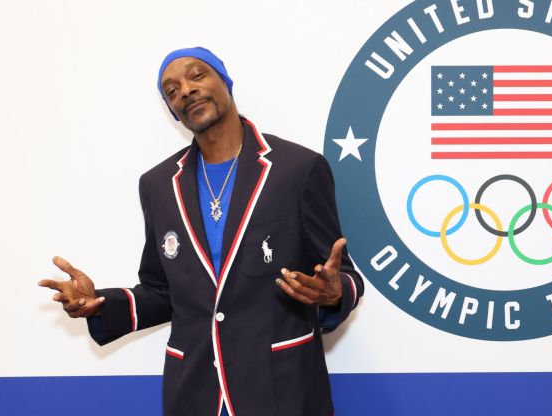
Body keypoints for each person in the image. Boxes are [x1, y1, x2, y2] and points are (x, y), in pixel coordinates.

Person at [38, 47, 364, 416]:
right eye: (172, 90)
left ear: (224, 81)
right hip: (194, 393)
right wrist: (99, 302)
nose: (186, 91)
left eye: (196, 76)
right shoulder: (158, 185)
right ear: (171, 109)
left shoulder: (298, 168)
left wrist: (335, 294)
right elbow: (163, 290)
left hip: (282, 390)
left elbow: (344, 275)